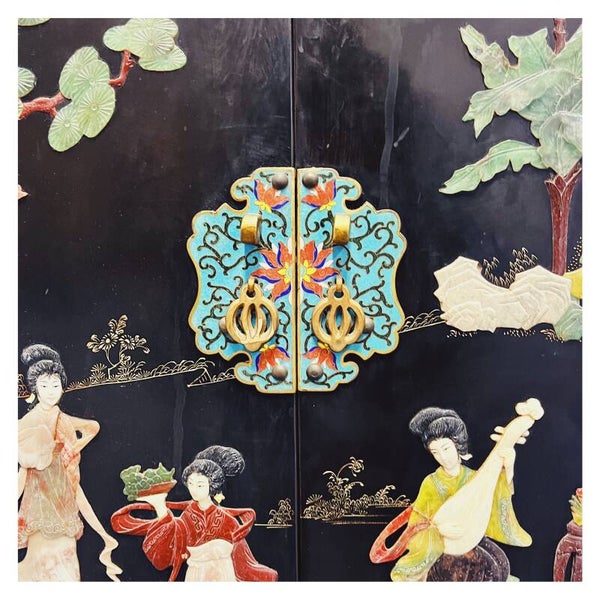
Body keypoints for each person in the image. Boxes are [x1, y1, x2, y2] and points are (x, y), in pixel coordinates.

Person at [370, 407, 531, 581]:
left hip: (468, 538)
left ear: (457, 445)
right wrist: (438, 530)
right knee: (483, 568)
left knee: (500, 564)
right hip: (441, 550)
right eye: (435, 452)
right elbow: (416, 525)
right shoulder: (431, 483)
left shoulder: (473, 477)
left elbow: (495, 497)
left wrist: (508, 467)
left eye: (446, 449)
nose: (442, 457)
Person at [18, 344, 121, 581]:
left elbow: (92, 427)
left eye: (56, 385)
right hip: (41, 505)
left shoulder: (62, 418)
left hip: (64, 499)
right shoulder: (27, 423)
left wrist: (70, 449)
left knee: (67, 564)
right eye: (44, 386)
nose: (51, 392)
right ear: (35, 388)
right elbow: (25, 467)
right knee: (46, 567)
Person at [111, 445, 278, 581]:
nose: (194, 489)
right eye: (190, 483)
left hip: (223, 576)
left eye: (200, 485)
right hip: (196, 576)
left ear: (212, 486)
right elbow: (168, 549)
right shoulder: (187, 517)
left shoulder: (228, 521)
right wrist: (160, 507)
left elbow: (243, 561)